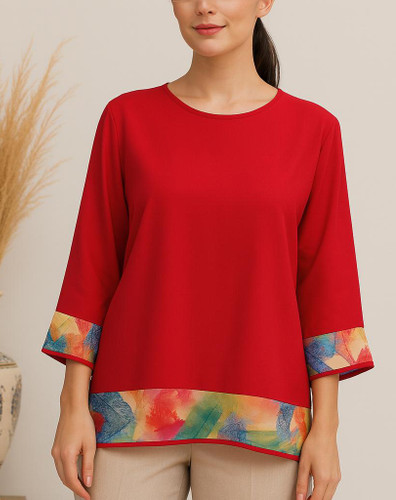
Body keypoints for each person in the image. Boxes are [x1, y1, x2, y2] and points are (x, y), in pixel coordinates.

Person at [41, 1, 375, 499]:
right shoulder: (126, 118)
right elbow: (93, 268)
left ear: (264, 2)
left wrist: (326, 431)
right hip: (130, 414)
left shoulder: (314, 130)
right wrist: (72, 408)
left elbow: (326, 287)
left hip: (262, 419)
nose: (205, 6)